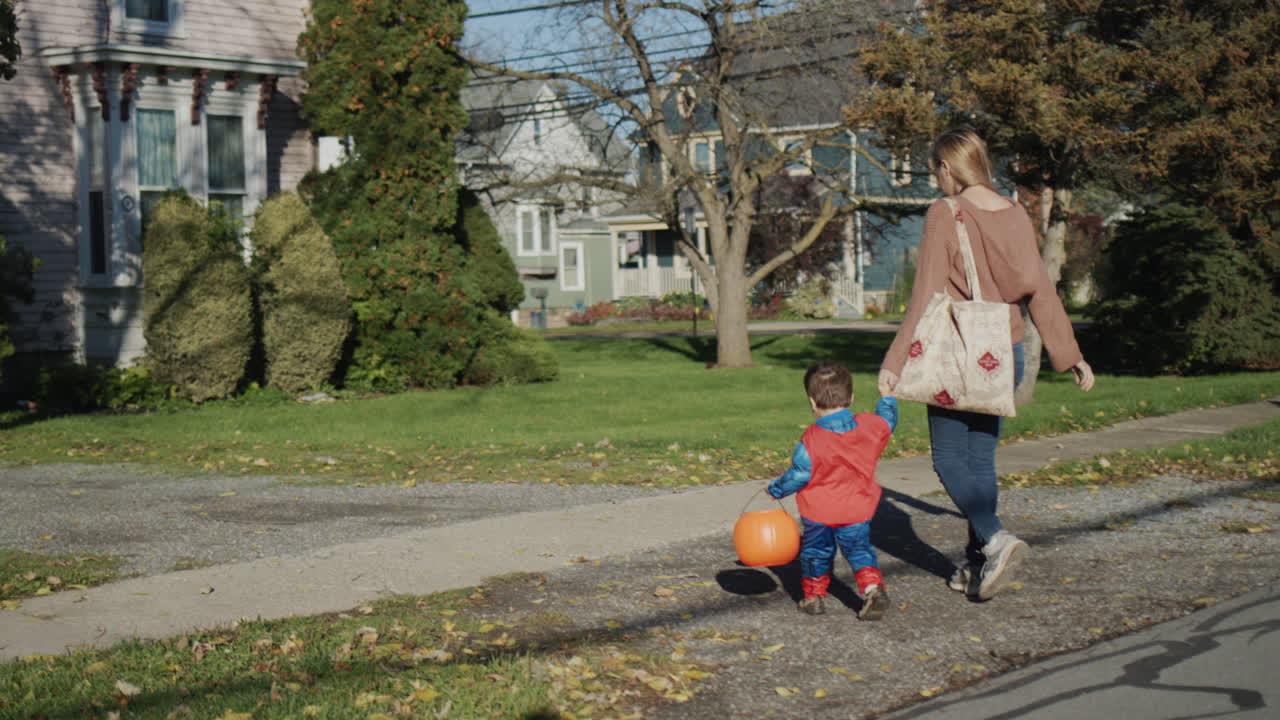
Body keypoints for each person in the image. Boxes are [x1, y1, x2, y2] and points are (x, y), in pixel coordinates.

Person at [878, 127, 1096, 601]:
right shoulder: (1016, 213)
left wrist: (895, 361)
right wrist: (1070, 354)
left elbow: (926, 296)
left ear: (947, 168)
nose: (936, 179)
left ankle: (995, 539)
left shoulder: (946, 212)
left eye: (935, 168)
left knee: (948, 458)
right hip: (1006, 354)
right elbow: (1040, 289)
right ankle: (977, 565)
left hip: (960, 356)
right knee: (980, 460)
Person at [768, 362, 899, 619]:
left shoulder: (811, 440)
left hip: (819, 512)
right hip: (857, 509)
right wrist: (887, 398)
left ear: (812, 402)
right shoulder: (869, 427)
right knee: (859, 550)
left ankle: (814, 597)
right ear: (851, 398)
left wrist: (776, 489)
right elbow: (888, 422)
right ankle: (873, 588)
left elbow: (800, 474)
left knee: (815, 552)